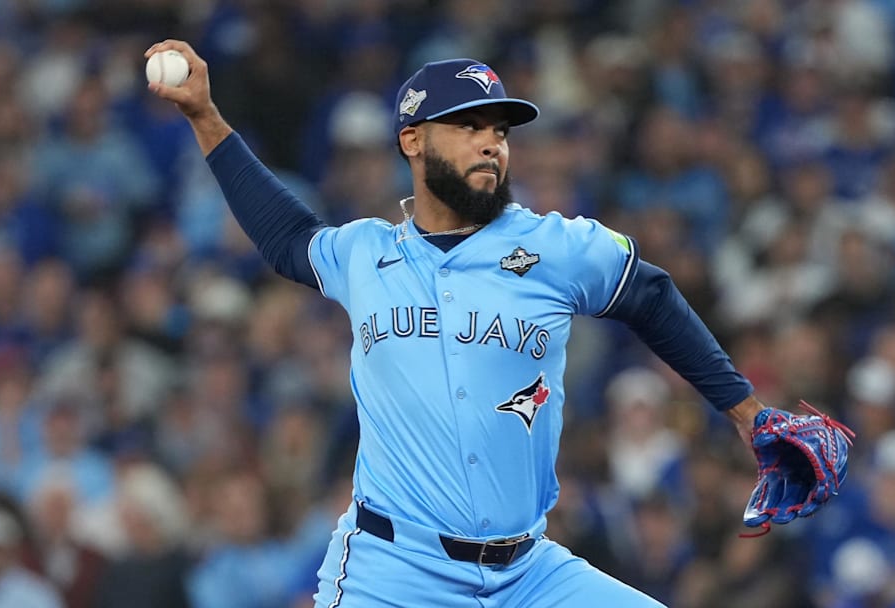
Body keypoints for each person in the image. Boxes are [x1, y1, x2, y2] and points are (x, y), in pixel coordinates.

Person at [146, 40, 774, 607]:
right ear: (412, 140)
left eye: (499, 129)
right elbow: (286, 237)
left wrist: (746, 414)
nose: (491, 142)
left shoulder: (557, 247)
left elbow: (653, 297)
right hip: (393, 571)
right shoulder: (367, 255)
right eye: (469, 124)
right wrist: (206, 117)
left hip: (529, 575)